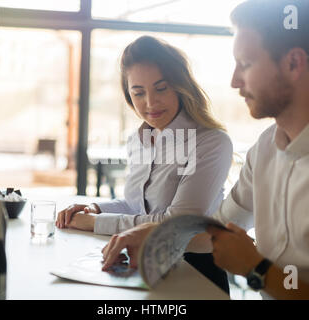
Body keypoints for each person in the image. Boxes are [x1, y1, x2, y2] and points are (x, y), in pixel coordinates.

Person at [101, 0, 309, 300]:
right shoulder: (265, 149)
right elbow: (211, 233)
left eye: (246, 63)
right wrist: (153, 233)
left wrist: (257, 269)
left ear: (293, 63)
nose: (234, 80)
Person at [57, 36, 233, 292]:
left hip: (194, 272)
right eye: (138, 93)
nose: (150, 103)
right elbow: (134, 205)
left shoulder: (211, 142)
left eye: (161, 89)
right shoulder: (139, 139)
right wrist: (94, 207)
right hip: (139, 263)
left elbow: (176, 223)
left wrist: (97, 223)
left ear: (180, 86)